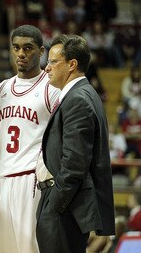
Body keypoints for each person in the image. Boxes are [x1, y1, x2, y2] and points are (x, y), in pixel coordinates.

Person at [0, 25, 61, 253]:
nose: (21, 54)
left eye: (28, 48)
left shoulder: (51, 89)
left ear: (41, 51)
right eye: (16, 48)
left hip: (31, 183)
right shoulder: (1, 90)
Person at [36, 34, 115, 253]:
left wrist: (55, 204)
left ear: (72, 64)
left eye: (53, 61)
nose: (47, 68)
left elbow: (75, 162)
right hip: (64, 203)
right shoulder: (82, 94)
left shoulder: (78, 99)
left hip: (64, 206)